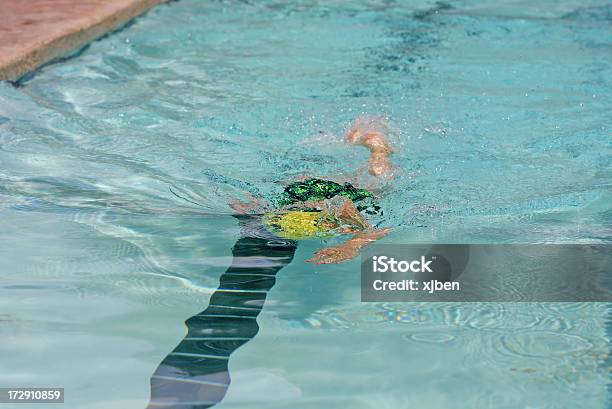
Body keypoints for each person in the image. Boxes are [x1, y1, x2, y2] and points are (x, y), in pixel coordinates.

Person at [231, 116, 394, 264]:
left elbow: (375, 229)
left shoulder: (336, 206)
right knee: (377, 185)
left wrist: (351, 247)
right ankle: (377, 151)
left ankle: (379, 152)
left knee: (380, 186)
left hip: (318, 195)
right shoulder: (292, 203)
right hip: (303, 194)